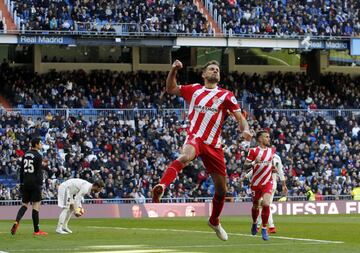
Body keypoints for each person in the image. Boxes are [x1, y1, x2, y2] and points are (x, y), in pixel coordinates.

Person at [152, 59, 252, 241]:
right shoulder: (194, 89)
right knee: (185, 156)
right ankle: (162, 185)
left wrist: (245, 129)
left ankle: (214, 221)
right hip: (195, 137)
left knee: (222, 190)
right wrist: (173, 69)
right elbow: (170, 88)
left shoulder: (226, 95)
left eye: (217, 70)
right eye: (211, 69)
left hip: (214, 145)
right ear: (204, 74)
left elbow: (240, 117)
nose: (215, 71)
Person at [243, 130, 277, 241]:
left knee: (266, 204)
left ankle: (263, 228)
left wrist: (273, 168)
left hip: (268, 181)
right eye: (266, 137)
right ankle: (254, 223)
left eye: (269, 136)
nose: (269, 138)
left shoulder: (271, 150)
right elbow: (245, 166)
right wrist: (254, 163)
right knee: (255, 206)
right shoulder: (253, 151)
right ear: (260, 139)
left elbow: (270, 163)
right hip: (256, 183)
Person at [242, 152, 288, 234]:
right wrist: (284, 185)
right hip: (271, 184)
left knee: (265, 205)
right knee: (264, 206)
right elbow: (281, 172)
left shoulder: (264, 157)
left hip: (267, 184)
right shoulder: (277, 157)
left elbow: (256, 170)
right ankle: (261, 226)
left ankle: (270, 226)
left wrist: (246, 176)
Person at [11, 137, 48, 236]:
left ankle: (17, 221)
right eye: (40, 143)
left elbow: (22, 170)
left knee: (24, 205)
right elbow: (38, 172)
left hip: (26, 182)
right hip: (35, 183)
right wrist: (40, 184)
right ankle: (36, 231)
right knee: (36, 206)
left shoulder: (25, 154)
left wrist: (22, 183)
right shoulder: (38, 156)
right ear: (36, 144)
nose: (41, 145)